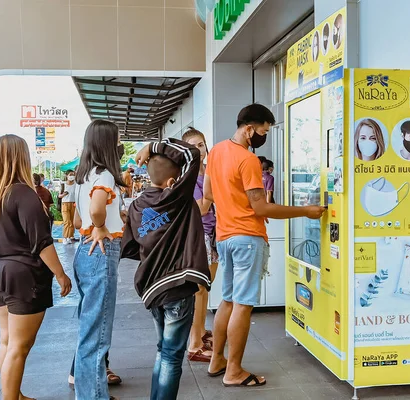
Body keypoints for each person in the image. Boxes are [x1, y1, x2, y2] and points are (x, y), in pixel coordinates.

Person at [204, 104, 326, 388]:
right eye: (263, 131)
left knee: (228, 300)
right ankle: (233, 371)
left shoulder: (216, 152)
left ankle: (217, 360)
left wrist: (232, 208)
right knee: (243, 305)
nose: (263, 137)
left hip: (224, 237)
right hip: (247, 238)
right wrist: (305, 211)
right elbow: (260, 207)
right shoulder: (247, 159)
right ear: (249, 128)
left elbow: (209, 193)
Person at [0, 134, 72, 400]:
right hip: (23, 275)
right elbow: (41, 242)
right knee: (19, 347)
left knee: (8, 342)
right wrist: (60, 273)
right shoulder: (23, 193)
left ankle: (15, 394)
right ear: (23, 156)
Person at [121, 138, 211, 400]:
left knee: (163, 350)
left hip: (152, 288)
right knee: (172, 357)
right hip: (178, 287)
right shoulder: (177, 198)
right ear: (174, 181)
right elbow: (192, 153)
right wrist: (154, 146)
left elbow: (130, 245)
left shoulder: (137, 206)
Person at [72, 120, 127, 400]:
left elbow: (78, 218)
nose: (121, 145)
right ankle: (93, 396)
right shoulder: (104, 175)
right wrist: (101, 226)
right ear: (108, 143)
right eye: (118, 139)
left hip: (85, 251)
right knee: (98, 333)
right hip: (102, 252)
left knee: (90, 328)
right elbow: (94, 212)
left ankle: (91, 392)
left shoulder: (85, 176)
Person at [181, 128, 218, 363]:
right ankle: (194, 344)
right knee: (198, 290)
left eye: (202, 144)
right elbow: (201, 208)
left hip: (215, 232)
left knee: (206, 288)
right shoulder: (189, 174)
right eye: (194, 145)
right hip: (199, 234)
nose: (200, 149)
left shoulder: (207, 170)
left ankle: (202, 332)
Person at [59, 169, 77, 244]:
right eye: (70, 175)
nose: (72, 176)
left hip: (73, 204)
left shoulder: (76, 184)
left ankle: (70, 236)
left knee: (72, 221)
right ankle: (65, 237)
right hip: (65, 204)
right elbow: (59, 195)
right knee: (67, 221)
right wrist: (64, 194)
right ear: (67, 175)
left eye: (73, 174)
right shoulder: (63, 184)